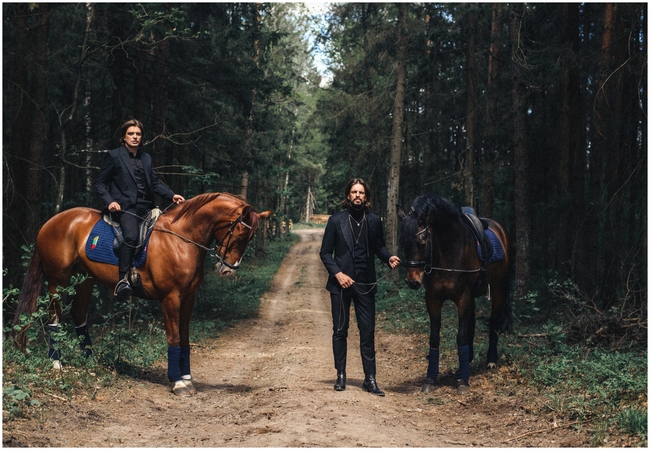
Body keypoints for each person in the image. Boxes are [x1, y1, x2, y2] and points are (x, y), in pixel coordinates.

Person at [319, 178, 401, 396]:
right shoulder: (336, 220)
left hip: (365, 284)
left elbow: (379, 247)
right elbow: (325, 253)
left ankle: (370, 379)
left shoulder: (373, 220)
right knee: (340, 330)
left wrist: (388, 258)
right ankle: (341, 376)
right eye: (354, 192)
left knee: (367, 331)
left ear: (366, 197)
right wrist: (338, 274)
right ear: (348, 195)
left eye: (361, 193)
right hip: (341, 285)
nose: (357, 195)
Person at [95, 119, 185, 298]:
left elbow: (154, 183)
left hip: (148, 207)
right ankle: (122, 280)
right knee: (131, 236)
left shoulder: (146, 158)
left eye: (138, 134)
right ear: (123, 137)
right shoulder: (114, 156)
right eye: (131, 134)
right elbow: (100, 183)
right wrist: (110, 201)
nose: (135, 137)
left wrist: (171, 195)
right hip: (126, 208)